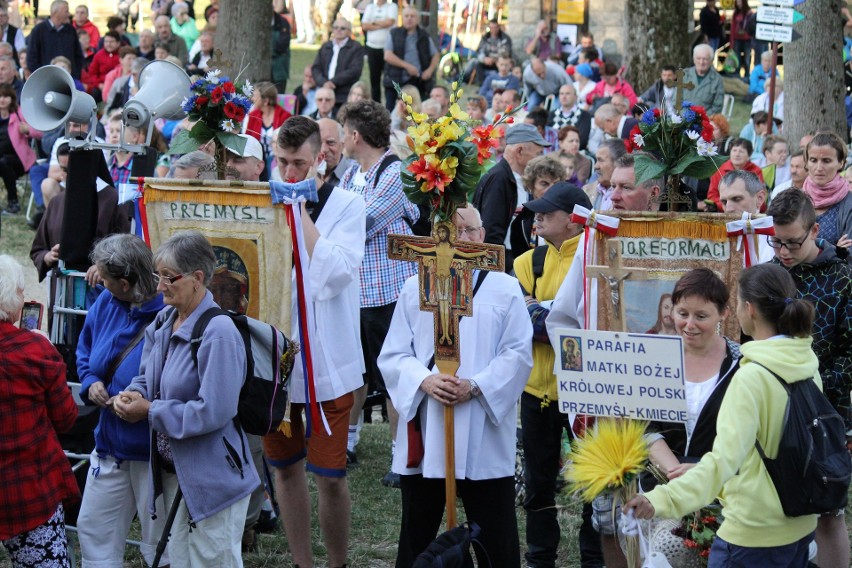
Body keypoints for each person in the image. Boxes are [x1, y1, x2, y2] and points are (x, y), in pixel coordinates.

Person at [625, 263, 820, 567]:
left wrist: (659, 500)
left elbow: (722, 463)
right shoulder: (805, 362)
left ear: (745, 310)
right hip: (796, 521)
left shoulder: (747, 373)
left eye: (701, 316)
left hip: (751, 530)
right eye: (682, 313)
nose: (690, 324)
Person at [379, 204, 533, 567]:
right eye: (452, 231)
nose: (461, 240)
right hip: (429, 425)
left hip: (483, 427)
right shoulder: (415, 285)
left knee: (496, 537)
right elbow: (394, 354)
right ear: (435, 237)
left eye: (470, 231)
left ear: (483, 236)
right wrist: (425, 379)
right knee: (417, 531)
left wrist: (477, 385)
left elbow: (518, 354)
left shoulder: (506, 288)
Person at [114, 231, 260, 567]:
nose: (160, 285)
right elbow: (148, 375)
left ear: (197, 278)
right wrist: (134, 392)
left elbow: (213, 412)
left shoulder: (219, 332)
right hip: (177, 473)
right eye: (157, 275)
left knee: (211, 560)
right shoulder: (165, 319)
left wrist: (149, 410)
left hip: (212, 479)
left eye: (169, 277)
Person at [264, 116, 366, 568]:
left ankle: (337, 562)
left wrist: (299, 210)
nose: (289, 173)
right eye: (282, 162)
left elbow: (334, 275)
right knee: (284, 470)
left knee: (329, 475)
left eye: (298, 163)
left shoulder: (348, 205)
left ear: (319, 158)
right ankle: (303, 562)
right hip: (277, 360)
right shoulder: (265, 199)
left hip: (328, 360)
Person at [513, 184, 602, 568]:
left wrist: (539, 311)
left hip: (583, 393)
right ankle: (539, 557)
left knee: (592, 481)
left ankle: (593, 558)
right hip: (537, 390)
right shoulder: (524, 263)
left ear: (572, 219)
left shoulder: (596, 260)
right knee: (538, 482)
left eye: (547, 211)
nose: (538, 217)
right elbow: (522, 326)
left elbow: (585, 329)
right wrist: (552, 319)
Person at [766, 188, 852, 568]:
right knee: (778, 504)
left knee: (828, 509)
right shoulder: (771, 275)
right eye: (777, 242)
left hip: (826, 409)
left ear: (815, 230)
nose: (784, 252)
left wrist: (812, 389)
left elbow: (851, 353)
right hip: (772, 407)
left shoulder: (842, 278)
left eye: (793, 243)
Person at [75, 234, 170, 568]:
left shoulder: (170, 315)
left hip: (152, 453)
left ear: (126, 284)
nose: (100, 281)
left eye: (107, 278)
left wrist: (145, 405)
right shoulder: (106, 301)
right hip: (110, 447)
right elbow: (85, 351)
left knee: (159, 544)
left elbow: (182, 384)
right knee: (93, 528)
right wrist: (90, 382)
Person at [336, 100, 418, 484]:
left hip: (388, 293)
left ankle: (401, 456)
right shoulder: (353, 171)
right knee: (354, 374)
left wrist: (336, 222)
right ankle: (347, 443)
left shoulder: (394, 172)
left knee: (392, 376)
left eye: (343, 131)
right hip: (355, 291)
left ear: (355, 136)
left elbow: (359, 224)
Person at [0, 255, 79, 567]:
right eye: (21, 292)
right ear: (10, 299)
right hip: (26, 492)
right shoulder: (35, 351)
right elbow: (66, 418)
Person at [30, 142, 130, 282]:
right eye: (63, 169)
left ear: (88, 168)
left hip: (100, 291)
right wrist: (47, 256)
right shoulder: (57, 202)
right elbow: (38, 249)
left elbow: (128, 251)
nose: (63, 177)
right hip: (60, 290)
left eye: (70, 170)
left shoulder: (114, 201)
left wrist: (106, 266)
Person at [473, 123, 549, 268]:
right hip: (502, 265)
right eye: (538, 154)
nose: (541, 159)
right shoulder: (499, 180)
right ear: (519, 151)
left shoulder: (516, 178)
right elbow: (491, 233)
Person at [800, 131, 852, 249]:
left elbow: (849, 255)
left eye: (826, 161)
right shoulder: (795, 199)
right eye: (813, 160)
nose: (819, 168)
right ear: (807, 162)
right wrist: (834, 250)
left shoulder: (849, 204)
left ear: (841, 163)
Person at [382, 6, 440, 111]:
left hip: (418, 81)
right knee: (390, 111)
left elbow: (435, 55)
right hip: (395, 80)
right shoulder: (394, 33)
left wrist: (429, 70)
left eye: (412, 16)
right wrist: (407, 66)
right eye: (406, 16)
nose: (409, 18)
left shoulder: (424, 36)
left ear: (418, 19)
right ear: (402, 18)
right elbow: (388, 55)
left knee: (417, 111)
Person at [0, 84, 41, 216]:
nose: (2, 99)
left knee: (3, 163)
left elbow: (40, 132)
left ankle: (14, 203)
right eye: (0, 96)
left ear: (12, 98)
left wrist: (28, 130)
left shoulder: (19, 113)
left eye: (5, 96)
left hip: (21, 161)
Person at [312, 18, 364, 111]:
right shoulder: (325, 46)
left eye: (342, 28)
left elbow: (354, 70)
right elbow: (316, 68)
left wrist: (333, 82)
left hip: (344, 95)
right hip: (324, 93)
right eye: (336, 27)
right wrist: (324, 83)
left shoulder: (356, 47)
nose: (338, 30)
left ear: (349, 31)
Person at [703, 137, 764, 212]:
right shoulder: (719, 169)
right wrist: (726, 205)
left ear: (749, 156)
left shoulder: (756, 171)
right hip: (723, 212)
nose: (737, 154)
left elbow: (759, 195)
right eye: (734, 150)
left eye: (741, 151)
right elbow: (712, 195)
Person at [244, 81, 291, 177]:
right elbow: (248, 139)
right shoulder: (253, 116)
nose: (252, 99)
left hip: (277, 158)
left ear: (265, 101)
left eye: (255, 96)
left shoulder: (285, 116)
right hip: (256, 158)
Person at [26, 0, 85, 78]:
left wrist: (75, 75)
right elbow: (31, 58)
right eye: (66, 11)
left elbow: (78, 55)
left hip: (70, 80)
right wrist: (42, 76)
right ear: (56, 13)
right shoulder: (39, 30)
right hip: (46, 81)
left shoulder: (71, 30)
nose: (69, 14)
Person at [361, 0, 397, 104]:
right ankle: (376, 105)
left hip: (387, 49)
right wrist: (382, 23)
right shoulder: (370, 7)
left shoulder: (392, 6)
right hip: (372, 47)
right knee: (374, 79)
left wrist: (373, 22)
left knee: (388, 79)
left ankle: (390, 104)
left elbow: (390, 22)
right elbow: (364, 26)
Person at [582, 138, 625, 210]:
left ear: (618, 163)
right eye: (596, 160)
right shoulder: (586, 191)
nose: (596, 166)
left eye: (600, 160)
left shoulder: (629, 196)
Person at [682, 44, 724, 116]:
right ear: (694, 59)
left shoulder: (717, 79)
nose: (701, 62)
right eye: (698, 58)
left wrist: (699, 118)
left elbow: (717, 107)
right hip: (682, 119)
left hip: (705, 121)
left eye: (705, 59)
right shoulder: (684, 75)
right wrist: (685, 117)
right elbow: (675, 101)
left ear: (711, 61)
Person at [467, 18, 513, 84]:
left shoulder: (505, 38)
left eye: (495, 27)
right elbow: (479, 51)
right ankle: (479, 83)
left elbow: (506, 53)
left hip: (499, 62)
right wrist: (484, 59)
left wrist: (494, 59)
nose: (493, 29)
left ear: (498, 27)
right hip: (486, 61)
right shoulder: (485, 38)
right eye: (491, 27)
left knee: (502, 63)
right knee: (475, 62)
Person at [549, 83, 591, 149]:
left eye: (567, 93)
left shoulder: (584, 115)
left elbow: (582, 140)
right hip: (554, 152)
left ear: (575, 97)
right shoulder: (551, 114)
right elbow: (548, 137)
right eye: (561, 94)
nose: (564, 96)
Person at [317, 117, 353, 188]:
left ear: (342, 145)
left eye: (330, 142)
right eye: (318, 143)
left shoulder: (354, 177)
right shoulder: (305, 173)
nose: (323, 150)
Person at [271, 6, 291, 93]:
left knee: (279, 96)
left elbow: (282, 45)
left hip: (280, 70)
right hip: (263, 71)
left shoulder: (283, 22)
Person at [731, 0, 754, 78]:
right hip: (737, 39)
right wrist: (732, 42)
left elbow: (752, 26)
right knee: (737, 58)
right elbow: (733, 27)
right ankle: (737, 74)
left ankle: (747, 75)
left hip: (747, 39)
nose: (738, 4)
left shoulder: (749, 13)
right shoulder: (735, 13)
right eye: (737, 2)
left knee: (747, 58)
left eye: (740, 2)